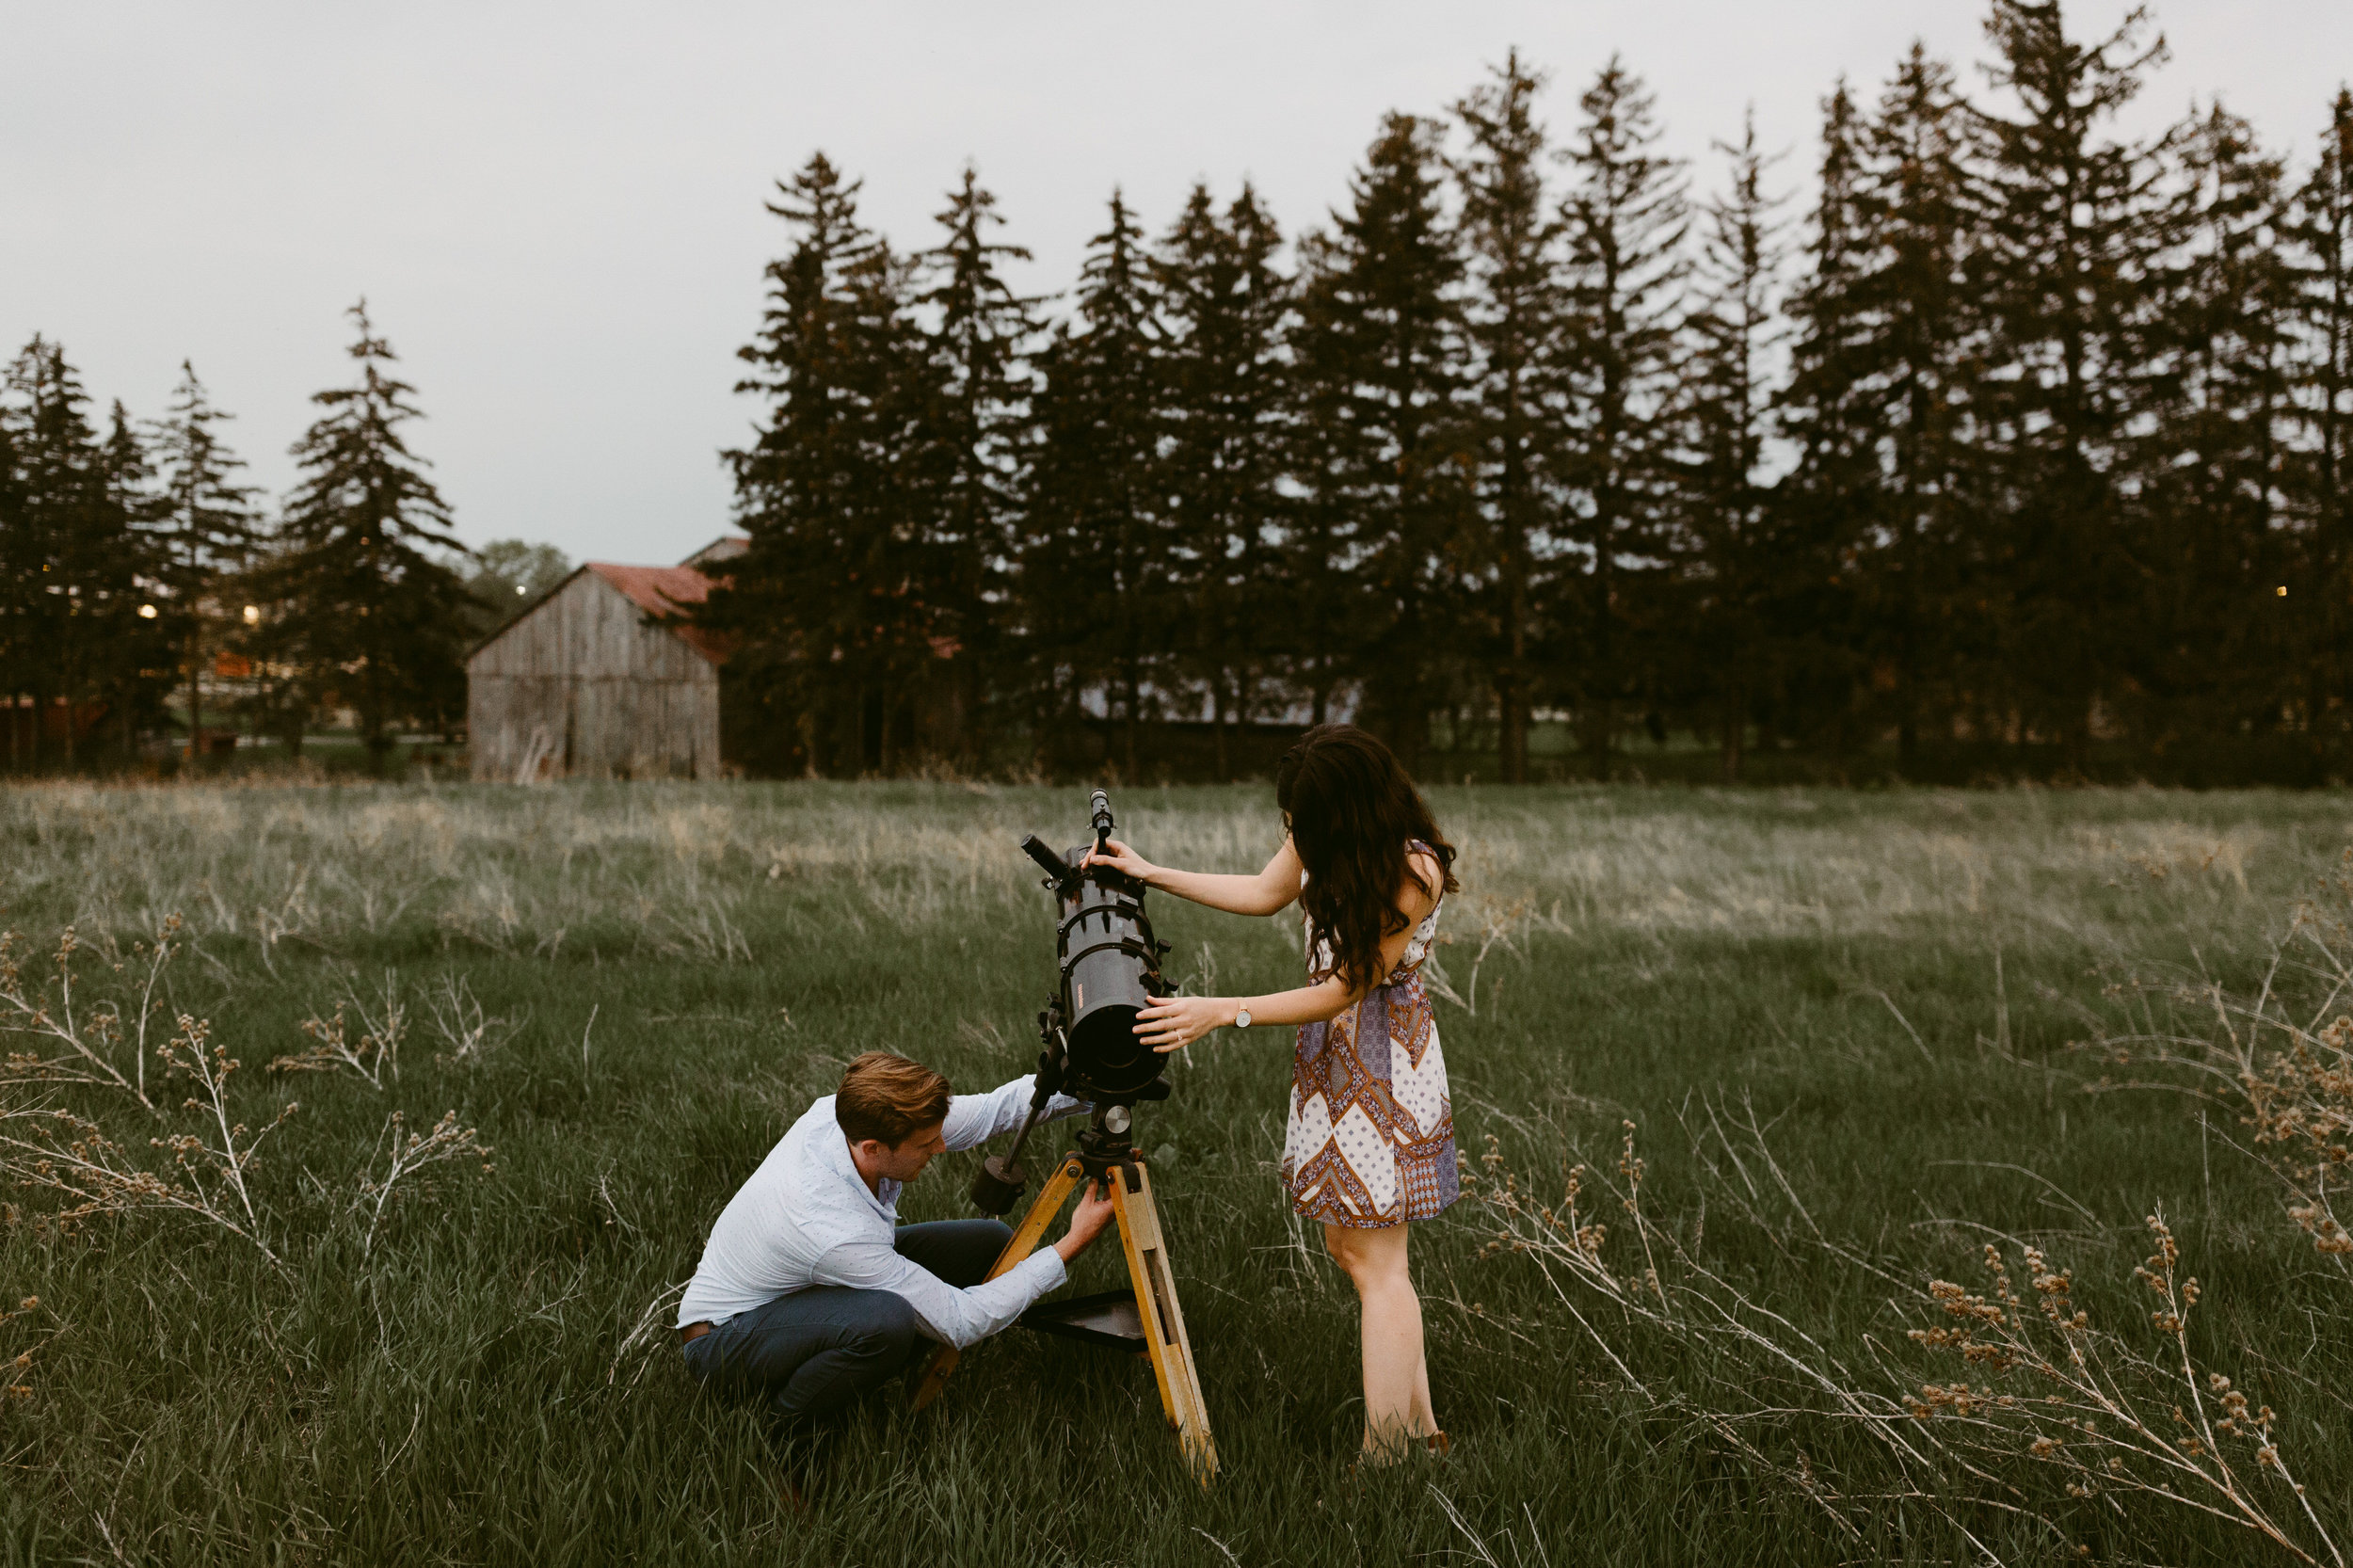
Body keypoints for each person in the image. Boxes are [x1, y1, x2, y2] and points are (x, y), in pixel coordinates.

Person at [1085, 723, 1461, 1463]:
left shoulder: (1412, 871)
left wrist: (1221, 1011)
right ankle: (1424, 1436)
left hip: (1384, 1065)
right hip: (1333, 1062)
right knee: (1353, 1251)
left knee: (1379, 1265)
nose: (1291, 837)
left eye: (1299, 826)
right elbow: (1264, 891)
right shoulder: (1332, 832)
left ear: (1344, 814)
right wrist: (1151, 872)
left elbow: (1342, 991)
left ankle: (1383, 1463)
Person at [677, 1050, 1113, 1433]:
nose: (941, 1148)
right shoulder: (831, 1228)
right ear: (873, 1148)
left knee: (990, 1243)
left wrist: (1094, 1086)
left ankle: (860, 1376)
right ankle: (789, 1436)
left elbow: (989, 1113)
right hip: (724, 1342)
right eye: (927, 1143)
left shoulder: (854, 1115)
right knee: (888, 1321)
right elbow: (960, 1321)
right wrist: (1071, 1244)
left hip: (801, 1291)